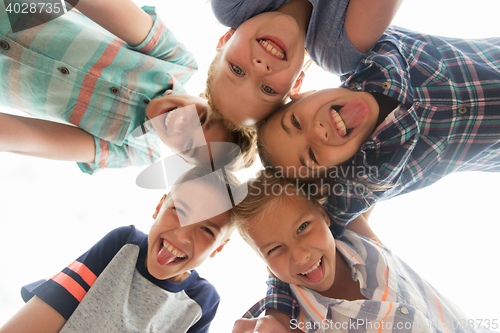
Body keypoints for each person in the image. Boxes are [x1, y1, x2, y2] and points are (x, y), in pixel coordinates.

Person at [254, 25, 500, 235]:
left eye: (296, 122)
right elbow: (320, 234)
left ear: (303, 94)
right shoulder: (368, 176)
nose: (318, 133)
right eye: (312, 156)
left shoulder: (369, 47)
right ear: (335, 170)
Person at [0, 0, 256, 174]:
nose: (181, 125)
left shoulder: (134, 151)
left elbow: (33, 138)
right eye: (200, 119)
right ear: (206, 97)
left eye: (189, 146)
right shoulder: (177, 62)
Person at [231, 172, 497, 333]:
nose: (301, 257)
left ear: (323, 215)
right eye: (274, 249)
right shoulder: (293, 323)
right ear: (264, 262)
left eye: (303, 227)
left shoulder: (357, 237)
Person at [0, 165, 240, 333]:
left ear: (219, 248)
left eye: (207, 230)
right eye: (179, 210)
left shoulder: (202, 302)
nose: (182, 234)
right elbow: (50, 307)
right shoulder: (124, 245)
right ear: (159, 206)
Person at [205, 0, 402, 126]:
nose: (259, 68)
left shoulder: (232, 6)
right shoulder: (337, 52)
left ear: (226, 40)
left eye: (237, 70)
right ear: (297, 82)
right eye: (267, 89)